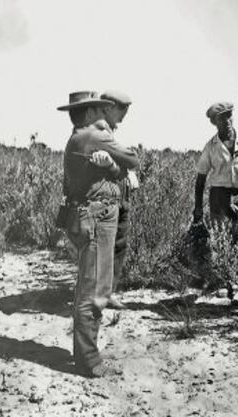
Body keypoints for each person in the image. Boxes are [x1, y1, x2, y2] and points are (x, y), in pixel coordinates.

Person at [58, 91, 139, 377]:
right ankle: (88, 360)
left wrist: (109, 165)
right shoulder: (92, 135)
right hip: (96, 217)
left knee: (91, 286)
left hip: (92, 216)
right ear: (89, 113)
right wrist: (114, 156)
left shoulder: (81, 137)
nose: (103, 113)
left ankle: (85, 353)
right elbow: (133, 159)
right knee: (93, 293)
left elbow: (116, 171)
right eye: (98, 109)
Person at [99, 90, 138, 309]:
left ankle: (108, 292)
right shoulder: (99, 131)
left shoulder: (113, 131)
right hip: (107, 196)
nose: (124, 115)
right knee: (104, 247)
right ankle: (100, 294)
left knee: (119, 245)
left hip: (121, 194)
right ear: (108, 107)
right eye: (121, 109)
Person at [193, 102, 238, 237]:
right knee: (220, 240)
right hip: (219, 199)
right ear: (214, 122)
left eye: (229, 115)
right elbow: (200, 179)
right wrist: (198, 208)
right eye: (222, 118)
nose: (227, 121)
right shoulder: (210, 147)